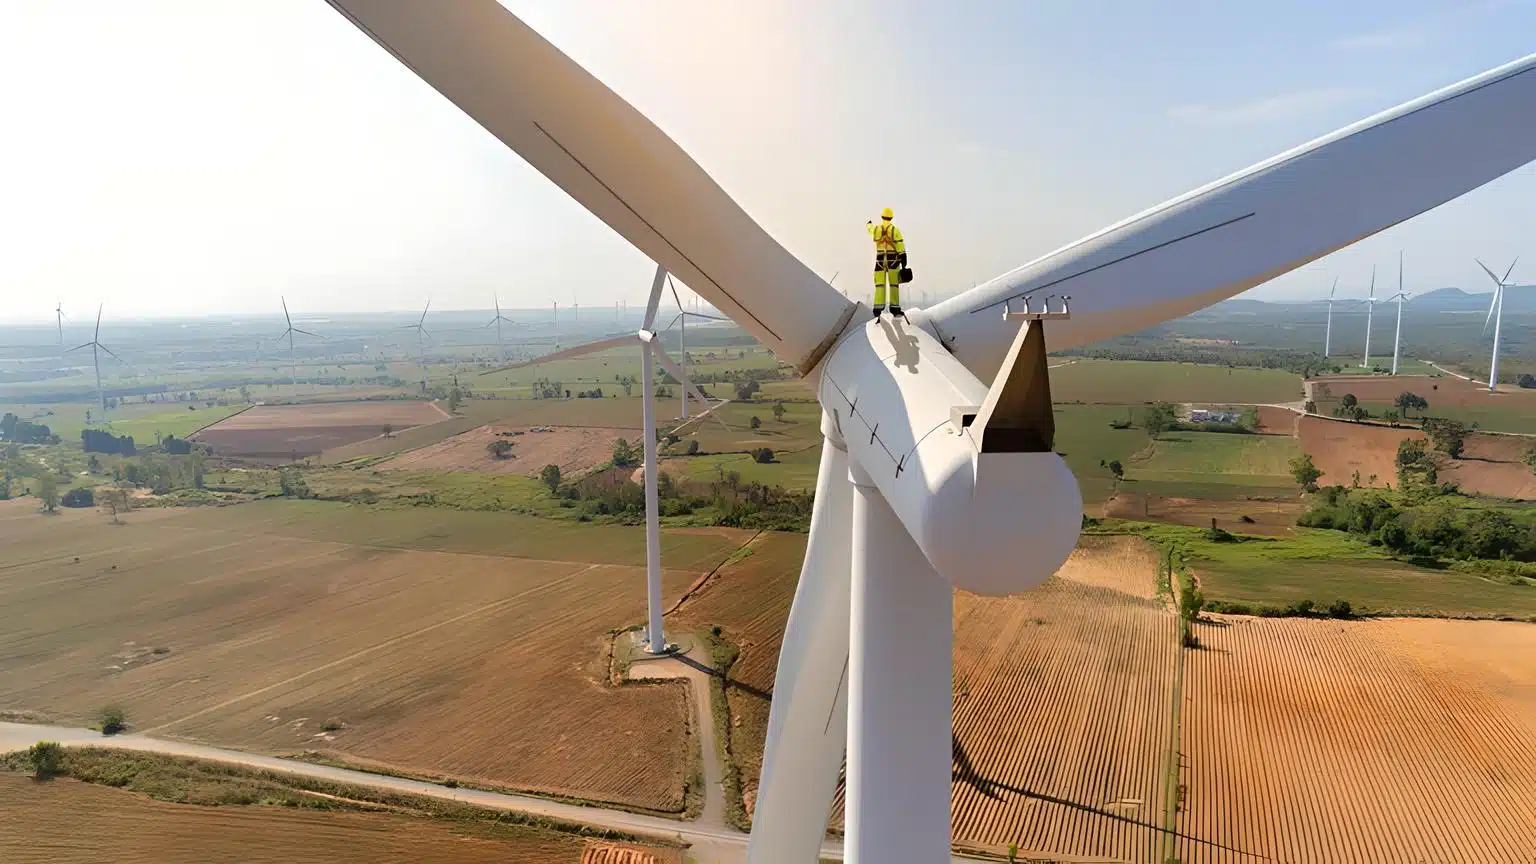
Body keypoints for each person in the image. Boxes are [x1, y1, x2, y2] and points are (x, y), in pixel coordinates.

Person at [867, 207, 906, 318]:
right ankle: (894, 308)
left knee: (879, 285)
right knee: (894, 284)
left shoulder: (876, 229)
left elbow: (870, 229)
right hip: (893, 260)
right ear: (891, 217)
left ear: (882, 217)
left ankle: (877, 309)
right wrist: (903, 257)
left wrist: (869, 224)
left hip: (880, 261)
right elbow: (900, 244)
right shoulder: (894, 230)